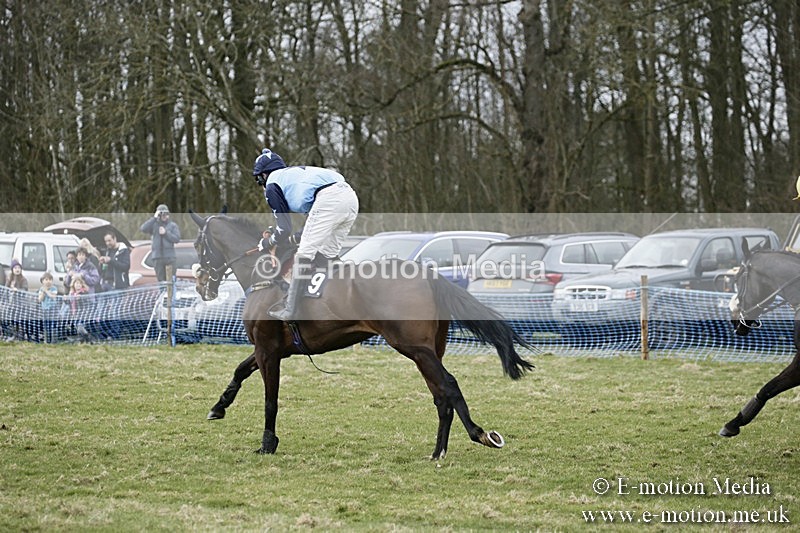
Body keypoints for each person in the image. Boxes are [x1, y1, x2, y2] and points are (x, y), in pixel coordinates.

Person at [252, 148, 359, 321]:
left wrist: (267, 242)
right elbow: (309, 225)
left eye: (258, 180)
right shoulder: (293, 179)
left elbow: (283, 229)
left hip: (329, 199)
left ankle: (290, 309)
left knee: (303, 255)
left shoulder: (272, 185)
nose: (261, 185)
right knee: (327, 255)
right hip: (350, 197)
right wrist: (292, 238)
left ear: (264, 175)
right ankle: (341, 299)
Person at [140, 204, 181, 282]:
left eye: (166, 214)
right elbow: (143, 229)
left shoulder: (172, 225)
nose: (164, 216)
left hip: (170, 257)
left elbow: (177, 239)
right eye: (162, 214)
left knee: (171, 281)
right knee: (161, 281)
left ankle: (171, 290)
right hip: (157, 257)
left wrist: (166, 233)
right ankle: (162, 290)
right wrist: (154, 218)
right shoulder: (154, 225)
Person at [38, 272, 59, 342]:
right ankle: (47, 340)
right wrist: (43, 293)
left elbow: (53, 296)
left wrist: (46, 291)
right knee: (46, 324)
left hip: (53, 309)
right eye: (46, 280)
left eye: (50, 280)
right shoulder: (41, 289)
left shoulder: (54, 288)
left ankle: (54, 340)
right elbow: (40, 299)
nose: (48, 281)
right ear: (42, 281)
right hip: (45, 309)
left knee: (53, 324)